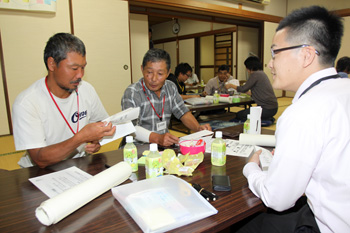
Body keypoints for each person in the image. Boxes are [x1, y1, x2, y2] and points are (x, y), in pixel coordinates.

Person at [238, 6, 349, 233]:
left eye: (275, 53)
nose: (270, 64)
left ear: (306, 55)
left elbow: (277, 198)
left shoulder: (304, 111)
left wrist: (251, 169)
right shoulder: (344, 88)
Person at [12, 33, 116, 168]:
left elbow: (101, 123)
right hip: (39, 172)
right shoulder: (27, 102)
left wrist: (96, 140)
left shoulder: (86, 89)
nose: (80, 75)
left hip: (79, 164)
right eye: (74, 68)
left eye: (83, 67)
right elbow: (39, 158)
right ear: (52, 64)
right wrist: (81, 138)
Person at [121, 48, 211, 146]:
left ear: (168, 73)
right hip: (136, 148)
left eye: (160, 74)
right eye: (150, 72)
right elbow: (130, 127)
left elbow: (183, 112)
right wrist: (158, 138)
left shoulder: (170, 87)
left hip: (163, 145)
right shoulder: (133, 92)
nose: (154, 79)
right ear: (142, 69)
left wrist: (198, 128)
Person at [227, 56, 278, 122]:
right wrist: (244, 91)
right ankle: (266, 118)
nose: (246, 69)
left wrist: (231, 85)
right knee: (244, 114)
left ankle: (265, 119)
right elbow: (256, 92)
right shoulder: (262, 73)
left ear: (250, 67)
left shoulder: (255, 75)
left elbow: (243, 89)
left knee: (239, 115)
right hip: (273, 108)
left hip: (267, 109)